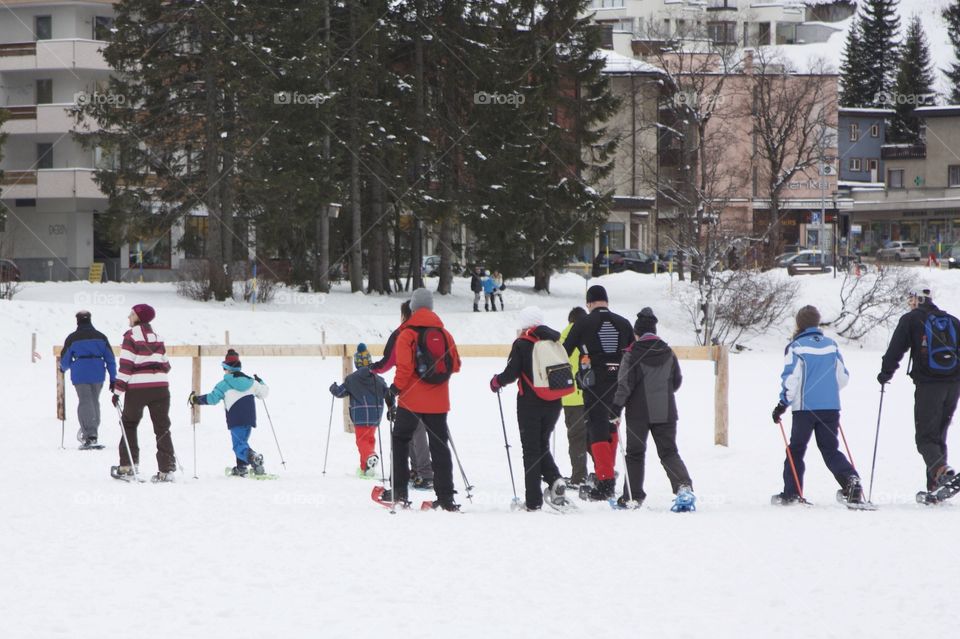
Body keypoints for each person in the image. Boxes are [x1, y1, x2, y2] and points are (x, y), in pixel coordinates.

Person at [379, 288, 462, 511]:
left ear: (413, 307)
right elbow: (455, 365)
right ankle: (445, 498)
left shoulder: (407, 334)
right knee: (439, 446)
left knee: (400, 440)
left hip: (411, 401)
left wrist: (394, 390)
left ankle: (399, 492)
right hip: (439, 402)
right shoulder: (445, 334)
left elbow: (405, 369)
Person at [772, 305, 863, 505]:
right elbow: (843, 377)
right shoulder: (831, 345)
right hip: (830, 408)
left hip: (805, 409)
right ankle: (851, 480)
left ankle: (792, 493)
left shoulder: (796, 346)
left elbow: (791, 378)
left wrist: (782, 404)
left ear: (799, 324)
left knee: (796, 450)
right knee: (830, 449)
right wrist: (827, 393)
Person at [878, 288, 960, 494]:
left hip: (929, 386)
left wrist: (886, 373)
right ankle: (935, 485)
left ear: (916, 300)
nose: (909, 304)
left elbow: (896, 349)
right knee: (938, 435)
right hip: (953, 385)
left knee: (924, 437)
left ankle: (941, 471)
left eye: (910, 300)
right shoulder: (952, 320)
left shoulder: (911, 319)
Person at [612, 308, 693, 509]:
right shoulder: (668, 352)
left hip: (638, 413)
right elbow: (676, 381)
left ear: (636, 333)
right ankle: (683, 487)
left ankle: (632, 496)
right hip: (665, 411)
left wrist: (616, 408)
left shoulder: (632, 354)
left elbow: (624, 385)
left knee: (635, 454)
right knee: (669, 452)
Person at [490, 307, 570, 511]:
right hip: (554, 401)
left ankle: (533, 501)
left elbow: (511, 373)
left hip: (530, 404)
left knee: (531, 450)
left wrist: (497, 381)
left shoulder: (523, 343)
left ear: (524, 324)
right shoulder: (554, 340)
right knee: (541, 444)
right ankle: (554, 479)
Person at [562, 285, 634, 500]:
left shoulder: (583, 323)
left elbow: (565, 352)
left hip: (594, 383)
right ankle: (608, 475)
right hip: (619, 382)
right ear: (606, 301)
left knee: (597, 429)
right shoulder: (624, 323)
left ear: (589, 303)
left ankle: (605, 481)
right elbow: (634, 354)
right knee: (612, 425)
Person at [370, 301, 434, 490]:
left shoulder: (401, 333)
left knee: (414, 428)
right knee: (415, 427)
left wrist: (371, 369)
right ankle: (417, 470)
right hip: (432, 386)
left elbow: (387, 362)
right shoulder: (431, 331)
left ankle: (425, 473)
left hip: (409, 387)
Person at [110, 304, 176, 483]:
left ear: (139, 317)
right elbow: (166, 365)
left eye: (131, 314)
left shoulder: (130, 337)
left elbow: (126, 367)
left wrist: (117, 391)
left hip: (138, 389)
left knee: (129, 423)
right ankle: (166, 469)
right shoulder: (158, 338)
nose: (128, 317)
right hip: (161, 388)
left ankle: (128, 466)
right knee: (162, 427)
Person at [189, 349, 270, 476]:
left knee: (238, 446)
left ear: (227, 369)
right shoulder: (251, 382)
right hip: (249, 419)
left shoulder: (223, 385)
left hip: (235, 419)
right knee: (242, 442)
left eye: (224, 368)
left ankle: (253, 457)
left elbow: (212, 399)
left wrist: (196, 399)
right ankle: (241, 467)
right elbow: (264, 393)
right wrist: (260, 381)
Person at [330, 343, 393, 478]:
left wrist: (333, 388)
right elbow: (388, 393)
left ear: (357, 363)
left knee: (361, 441)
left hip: (360, 416)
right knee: (369, 440)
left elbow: (340, 393)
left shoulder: (351, 379)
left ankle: (370, 456)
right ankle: (366, 468)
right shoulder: (378, 379)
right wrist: (391, 406)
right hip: (375, 415)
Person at [60, 310, 116, 449]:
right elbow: (110, 359)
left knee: (85, 401)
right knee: (94, 401)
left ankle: (90, 435)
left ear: (78, 321)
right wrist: (113, 378)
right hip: (98, 373)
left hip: (80, 373)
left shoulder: (72, 338)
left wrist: (63, 368)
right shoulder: (101, 337)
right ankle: (92, 430)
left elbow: (65, 360)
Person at [560, 306, 589, 487]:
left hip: (570, 397)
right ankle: (603, 473)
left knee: (576, 437)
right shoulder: (590, 334)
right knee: (594, 436)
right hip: (592, 395)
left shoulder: (562, 339)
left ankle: (579, 476)